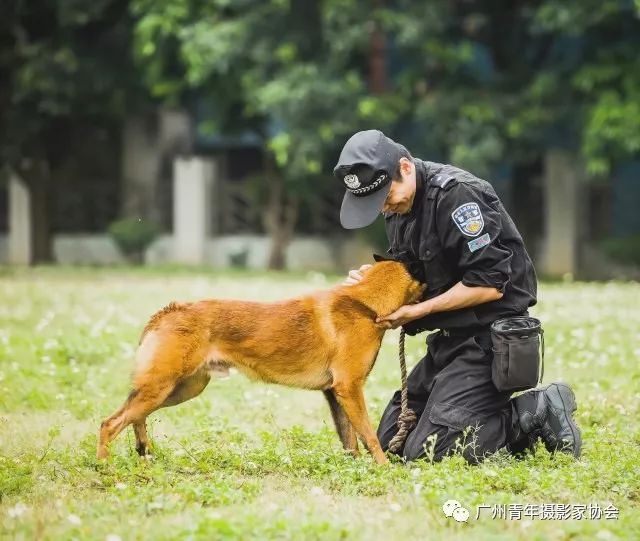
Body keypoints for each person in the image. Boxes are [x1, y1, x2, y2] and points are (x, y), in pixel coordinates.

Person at [333, 129, 582, 464]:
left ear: (405, 168)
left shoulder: (459, 196)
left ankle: (535, 410)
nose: (383, 208)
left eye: (385, 196)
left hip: (491, 339)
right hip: (449, 339)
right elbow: (414, 270)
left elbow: (490, 283)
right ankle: (478, 419)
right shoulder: (399, 207)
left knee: (432, 451)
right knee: (392, 439)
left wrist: (418, 311)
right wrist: (372, 280)